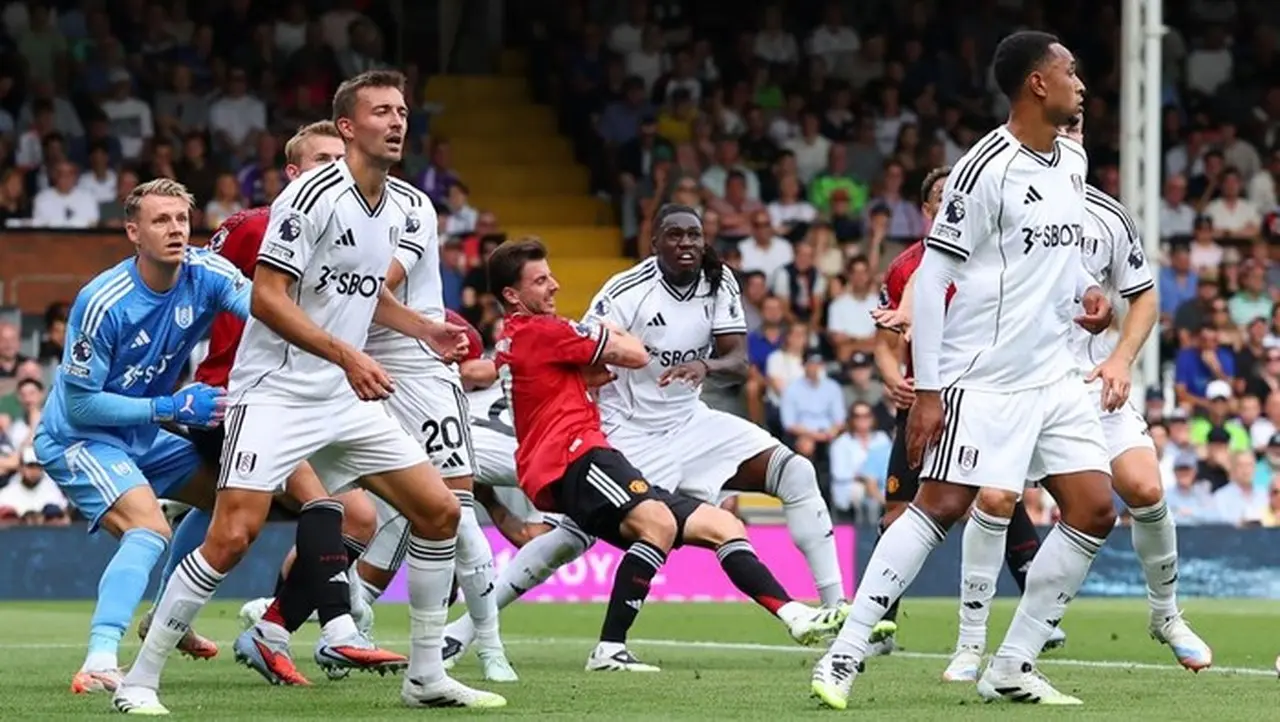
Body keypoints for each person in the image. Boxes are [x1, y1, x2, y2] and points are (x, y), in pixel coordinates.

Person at [112, 70, 506, 714]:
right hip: (276, 393)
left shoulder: (398, 205)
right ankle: (139, 680)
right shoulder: (310, 197)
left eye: (401, 111)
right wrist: (347, 355)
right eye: (381, 111)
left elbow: (365, 294)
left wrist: (425, 330)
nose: (397, 121)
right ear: (348, 127)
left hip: (343, 397)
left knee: (439, 513)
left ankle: (426, 677)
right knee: (231, 536)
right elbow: (268, 298)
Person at [810, 31, 1117, 708]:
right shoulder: (981, 171)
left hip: (1054, 374)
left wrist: (1088, 293)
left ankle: (1011, 663)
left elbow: (1063, 254)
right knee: (942, 505)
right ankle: (845, 652)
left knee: (1095, 510)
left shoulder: (1072, 158)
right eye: (1070, 71)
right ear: (1037, 83)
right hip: (985, 375)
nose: (1080, 83)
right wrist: (930, 391)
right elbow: (934, 275)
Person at [487, 238, 848, 672]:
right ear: (511, 295)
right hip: (575, 457)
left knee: (723, 525)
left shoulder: (526, 337)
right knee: (643, 526)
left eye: (550, 276)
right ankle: (605, 649)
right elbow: (634, 354)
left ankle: (796, 615)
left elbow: (595, 370)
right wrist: (618, 340)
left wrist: (594, 361)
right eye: (541, 280)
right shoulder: (546, 330)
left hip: (602, 450)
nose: (555, 285)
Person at [938, 117, 1211, 681]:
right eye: (1060, 124)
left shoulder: (1109, 216)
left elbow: (1143, 299)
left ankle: (1165, 615)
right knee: (995, 498)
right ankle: (969, 642)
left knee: (1144, 488)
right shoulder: (1003, 199)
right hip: (1015, 382)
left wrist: (1121, 359)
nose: (1067, 133)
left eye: (1077, 126)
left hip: (1087, 386)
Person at [180, 121, 402, 686]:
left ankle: (271, 629)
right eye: (323, 159)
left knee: (360, 517)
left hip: (312, 397)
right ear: (293, 172)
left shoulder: (358, 225)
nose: (336, 168)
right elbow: (193, 284)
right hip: (242, 395)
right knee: (300, 510)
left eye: (340, 157)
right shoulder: (256, 225)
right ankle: (336, 630)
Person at [32, 178, 248, 695]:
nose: (176, 230)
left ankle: (168, 614)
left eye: (182, 219)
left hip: (143, 434)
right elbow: (82, 404)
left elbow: (267, 310)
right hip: (79, 438)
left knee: (233, 501)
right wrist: (171, 407)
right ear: (133, 232)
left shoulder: (207, 273)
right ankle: (99, 660)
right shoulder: (103, 300)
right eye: (161, 220)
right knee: (149, 529)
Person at [322, 152, 518, 684]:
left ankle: (489, 647)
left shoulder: (411, 206)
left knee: (457, 513)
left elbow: (370, 286)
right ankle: (311, 621)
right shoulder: (317, 208)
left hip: (419, 373)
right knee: (333, 509)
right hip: (350, 370)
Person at [868, 165, 1063, 660]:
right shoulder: (907, 267)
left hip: (981, 397)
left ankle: (1039, 616)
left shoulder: (994, 256)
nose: (954, 203)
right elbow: (886, 342)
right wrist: (893, 378)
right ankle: (880, 622)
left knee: (1000, 497)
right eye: (942, 197)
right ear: (928, 209)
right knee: (898, 512)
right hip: (924, 402)